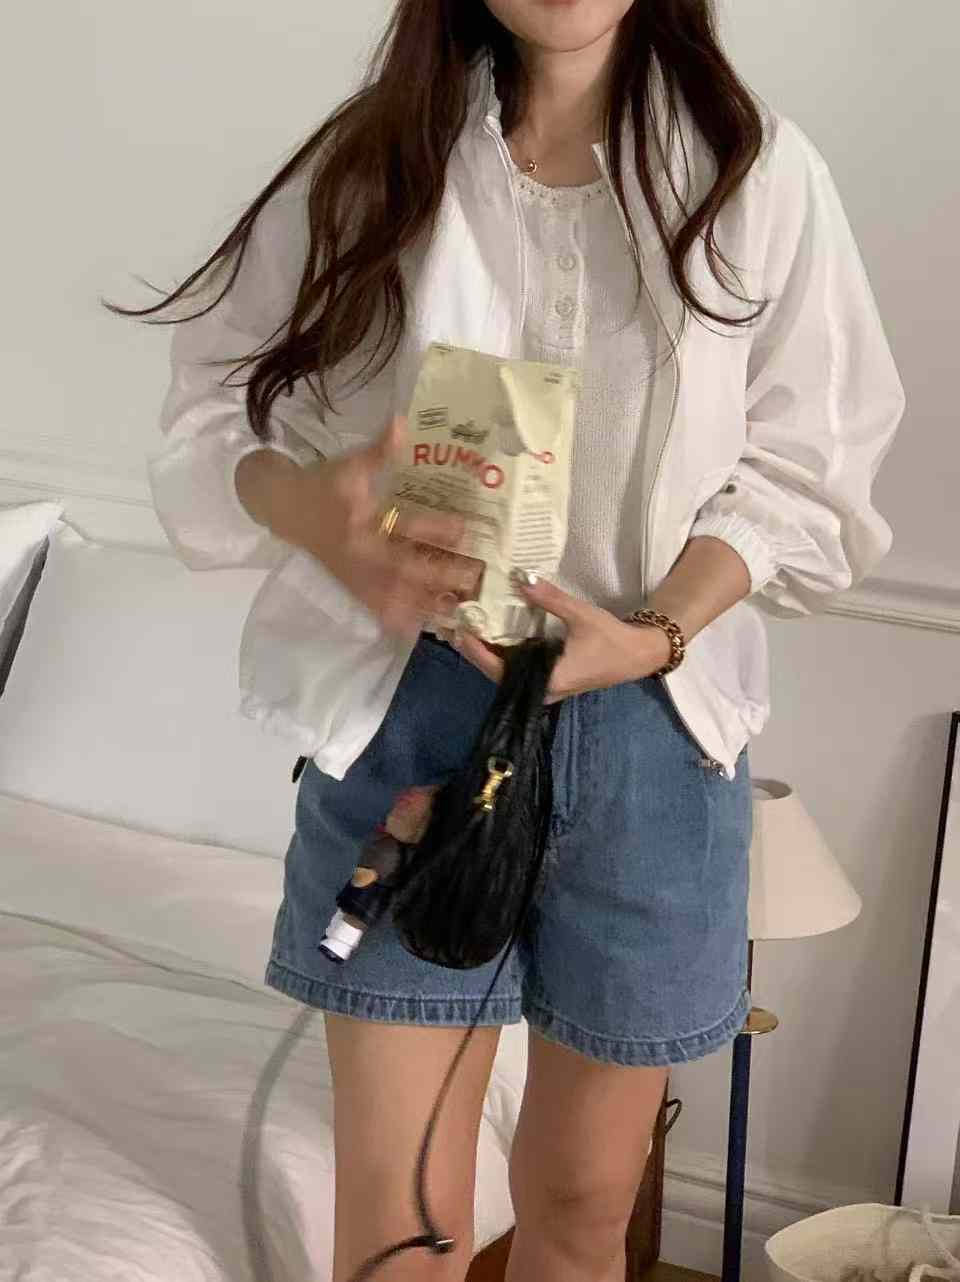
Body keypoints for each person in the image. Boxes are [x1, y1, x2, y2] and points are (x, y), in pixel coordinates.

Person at [107, 2, 906, 1279]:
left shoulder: (753, 173)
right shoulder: (372, 160)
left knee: (585, 1206)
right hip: (414, 714)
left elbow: (813, 464)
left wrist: (654, 633)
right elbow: (214, 407)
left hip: (654, 732)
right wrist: (318, 518)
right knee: (401, 1217)